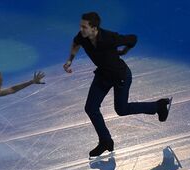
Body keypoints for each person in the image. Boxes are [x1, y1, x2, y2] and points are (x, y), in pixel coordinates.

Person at [63, 12, 172, 158]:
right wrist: (70, 60)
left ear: (94, 28)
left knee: (121, 109)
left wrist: (125, 50)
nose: (81, 29)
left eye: (84, 27)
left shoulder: (109, 38)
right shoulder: (82, 36)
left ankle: (158, 106)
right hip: (103, 75)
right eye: (80, 26)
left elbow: (132, 39)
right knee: (91, 107)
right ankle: (105, 141)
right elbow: (76, 43)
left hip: (120, 76)